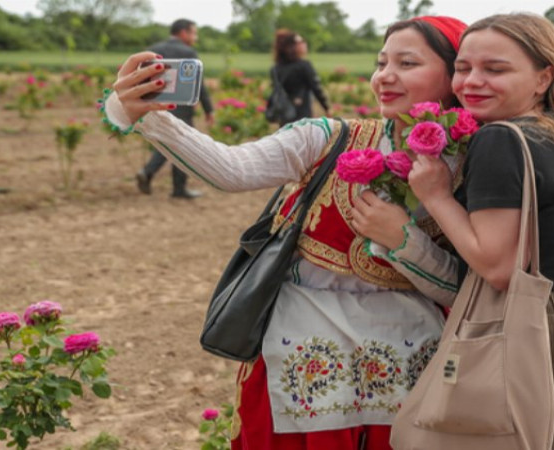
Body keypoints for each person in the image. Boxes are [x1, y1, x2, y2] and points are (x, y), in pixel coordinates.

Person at [103, 16, 467, 450]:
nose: (385, 76)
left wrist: (406, 243)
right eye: (382, 61)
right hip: (307, 350)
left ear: (455, 76)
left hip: (412, 354)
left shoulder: (478, 167)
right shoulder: (330, 138)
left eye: (407, 63)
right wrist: (143, 116)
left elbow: (471, 289)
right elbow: (231, 169)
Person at [408, 13, 554, 450]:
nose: (471, 82)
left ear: (543, 78)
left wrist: (435, 195)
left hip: (536, 342)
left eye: (496, 69)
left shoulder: (502, 140)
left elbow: (496, 265)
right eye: (463, 67)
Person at [135, 18, 214, 199]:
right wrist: (209, 109)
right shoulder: (188, 52)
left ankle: (149, 173)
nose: (196, 37)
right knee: (182, 145)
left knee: (168, 141)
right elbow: (197, 84)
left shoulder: (154, 49)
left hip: (155, 104)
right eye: (194, 33)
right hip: (181, 107)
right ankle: (176, 187)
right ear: (184, 33)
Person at [269, 29, 330, 126]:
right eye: (301, 41)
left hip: (284, 114)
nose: (304, 44)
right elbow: (316, 88)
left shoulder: (275, 69)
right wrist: (326, 107)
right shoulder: (304, 66)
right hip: (302, 114)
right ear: (292, 46)